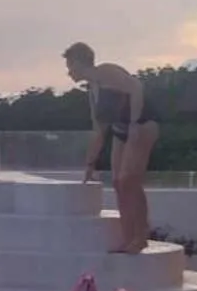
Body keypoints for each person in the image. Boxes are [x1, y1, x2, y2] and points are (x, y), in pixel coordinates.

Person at [64, 41, 158, 253]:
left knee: (129, 180)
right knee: (117, 182)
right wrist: (90, 163)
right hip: (120, 129)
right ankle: (128, 238)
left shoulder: (106, 72)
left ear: (80, 62)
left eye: (70, 66)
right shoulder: (93, 91)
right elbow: (99, 132)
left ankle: (141, 236)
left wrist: (134, 124)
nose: (69, 72)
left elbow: (136, 87)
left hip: (142, 124)